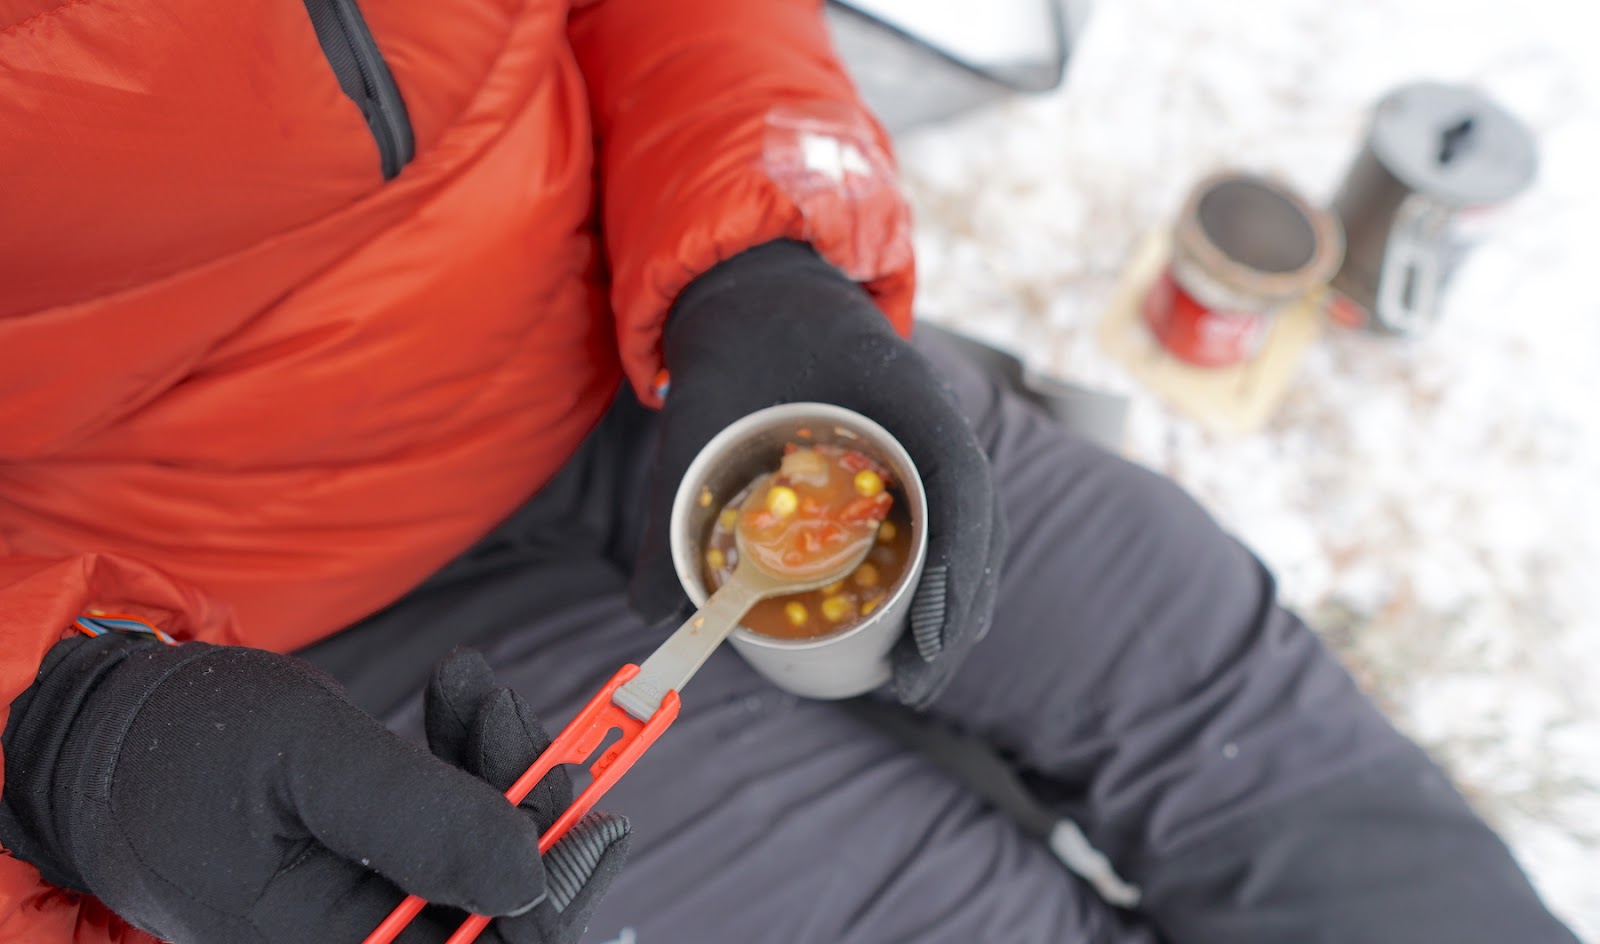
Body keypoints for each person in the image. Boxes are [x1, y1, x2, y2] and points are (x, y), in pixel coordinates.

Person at [0, 1, 1580, 942]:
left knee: (1227, 708)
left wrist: (759, 249)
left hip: (666, 362)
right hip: (241, 630)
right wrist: (49, 734)